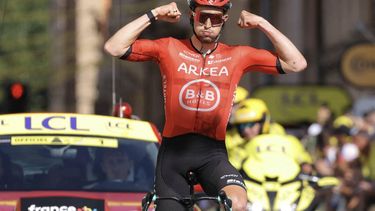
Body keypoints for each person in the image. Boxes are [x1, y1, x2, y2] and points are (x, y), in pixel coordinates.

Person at [104, 0, 307, 210]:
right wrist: (155, 13)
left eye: (216, 18)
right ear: (192, 15)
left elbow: (296, 63)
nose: (208, 24)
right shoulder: (169, 47)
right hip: (174, 155)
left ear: (224, 20)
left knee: (236, 203)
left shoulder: (237, 55)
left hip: (212, 154)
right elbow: (114, 47)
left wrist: (262, 23)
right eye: (203, 17)